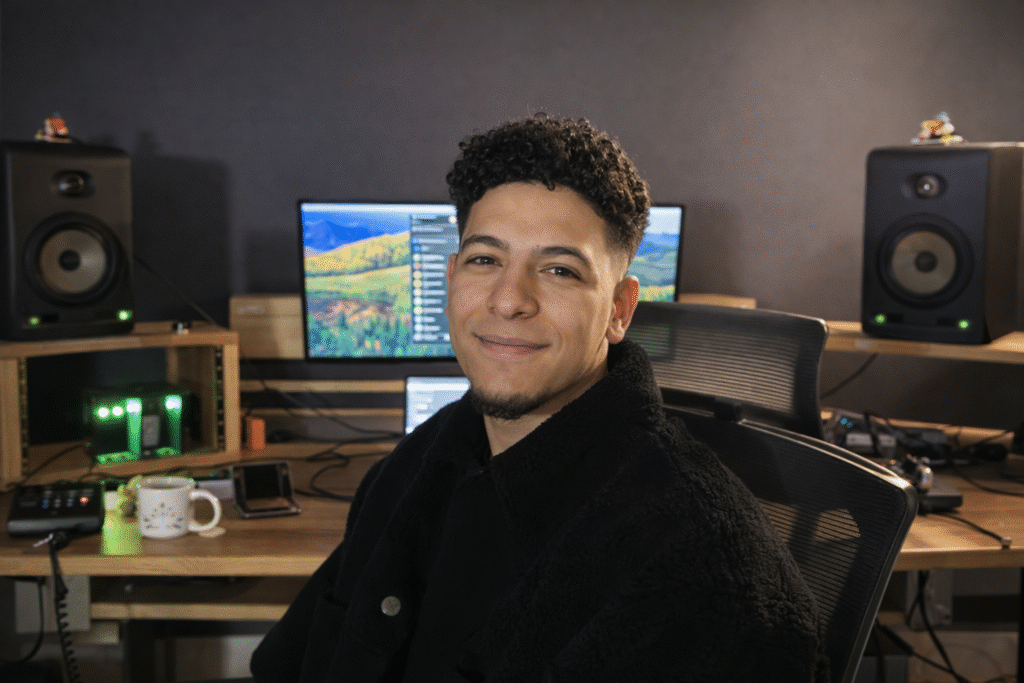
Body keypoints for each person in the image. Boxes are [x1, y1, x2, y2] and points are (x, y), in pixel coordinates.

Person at [251, 114, 829, 682]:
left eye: (559, 270)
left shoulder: (704, 577)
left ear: (620, 310)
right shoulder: (416, 464)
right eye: (485, 260)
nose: (509, 300)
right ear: (451, 280)